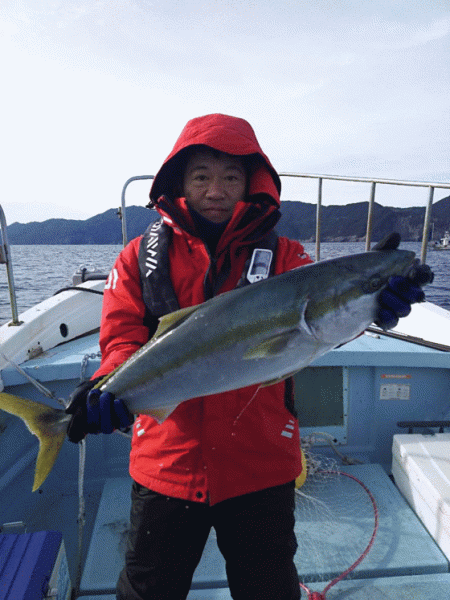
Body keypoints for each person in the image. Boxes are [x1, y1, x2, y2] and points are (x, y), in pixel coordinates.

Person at [66, 114, 428, 600]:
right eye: (202, 177)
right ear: (180, 184)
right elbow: (121, 338)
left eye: (230, 178)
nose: (216, 190)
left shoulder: (287, 259)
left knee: (268, 589)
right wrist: (110, 383)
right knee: (149, 590)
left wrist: (373, 304)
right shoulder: (137, 257)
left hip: (260, 462)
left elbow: (320, 329)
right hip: (168, 462)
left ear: (250, 185)